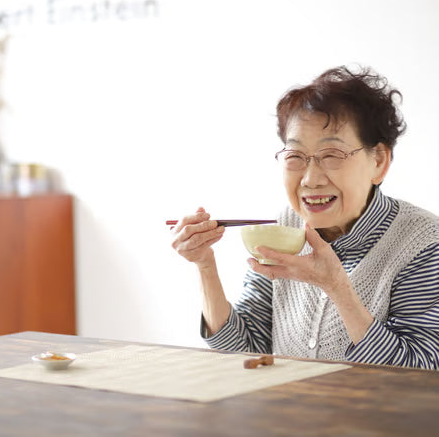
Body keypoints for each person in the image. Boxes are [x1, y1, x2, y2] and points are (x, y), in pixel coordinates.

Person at [171, 65, 439, 369]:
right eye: (296, 156)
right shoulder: (285, 227)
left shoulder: (423, 243)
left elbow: (420, 372)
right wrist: (205, 265)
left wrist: (337, 288)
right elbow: (246, 349)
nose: (310, 179)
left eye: (332, 155)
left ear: (378, 161)